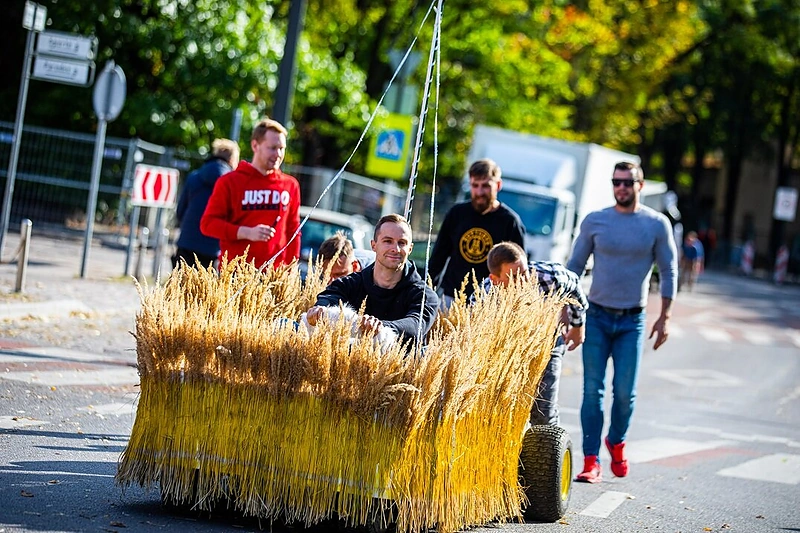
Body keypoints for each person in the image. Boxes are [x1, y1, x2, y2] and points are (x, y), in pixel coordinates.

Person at [566, 161, 677, 484]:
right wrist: (568, 310)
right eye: (617, 182)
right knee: (592, 391)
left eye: (628, 182)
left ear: (640, 185)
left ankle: (616, 441)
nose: (622, 187)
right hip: (596, 316)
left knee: (625, 394)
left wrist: (665, 317)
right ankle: (590, 460)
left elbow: (669, 270)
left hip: (632, 320)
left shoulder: (656, 225)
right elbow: (574, 267)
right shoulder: (596, 221)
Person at [480, 242, 588, 426]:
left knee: (543, 411)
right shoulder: (486, 296)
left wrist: (578, 325)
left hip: (548, 341)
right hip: (510, 348)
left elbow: (575, 288)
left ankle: (550, 446)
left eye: (524, 272)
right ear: (495, 278)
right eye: (514, 276)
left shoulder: (549, 276)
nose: (522, 280)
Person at [306, 214, 439, 345]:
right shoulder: (350, 283)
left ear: (410, 249)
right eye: (388, 241)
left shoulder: (424, 295)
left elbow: (416, 325)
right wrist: (320, 309)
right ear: (373, 245)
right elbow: (329, 296)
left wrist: (380, 326)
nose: (395, 249)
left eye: (402, 243)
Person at [200, 118, 300, 269]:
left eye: (282, 148)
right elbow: (208, 224)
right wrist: (245, 232)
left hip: (274, 276)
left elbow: (294, 230)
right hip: (235, 273)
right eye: (272, 148)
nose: (278, 154)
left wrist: (292, 266)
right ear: (255, 145)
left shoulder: (290, 185)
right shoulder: (229, 182)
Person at [428, 158, 526, 308]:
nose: (480, 192)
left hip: (489, 303)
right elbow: (438, 257)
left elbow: (518, 269)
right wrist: (426, 290)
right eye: (475, 185)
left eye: (486, 186)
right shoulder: (457, 214)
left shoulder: (510, 222)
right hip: (451, 297)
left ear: (498, 185)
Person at [172, 138, 240, 269]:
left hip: (187, 242)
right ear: (232, 160)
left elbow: (180, 211)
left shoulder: (194, 177)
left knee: (180, 287)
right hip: (214, 248)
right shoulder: (232, 184)